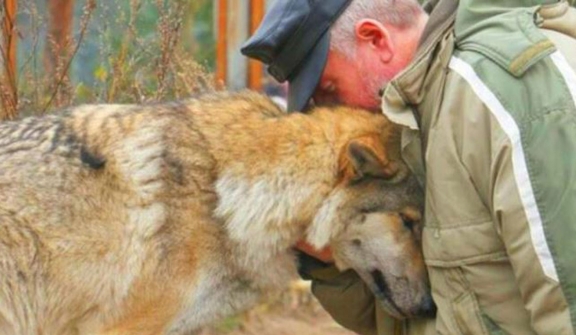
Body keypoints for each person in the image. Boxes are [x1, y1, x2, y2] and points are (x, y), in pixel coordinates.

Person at [242, 0, 576, 334]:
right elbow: (418, 321)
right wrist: (330, 261)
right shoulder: (417, 122)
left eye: (330, 92)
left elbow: (566, 301)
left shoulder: (508, 93)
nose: (332, 114)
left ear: (376, 40)